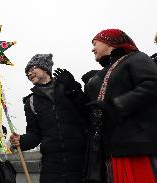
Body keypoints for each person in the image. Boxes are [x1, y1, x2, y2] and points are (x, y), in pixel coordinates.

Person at [85, 29, 157, 183]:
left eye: (95, 43)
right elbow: (93, 106)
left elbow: (152, 85)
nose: (92, 48)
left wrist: (117, 105)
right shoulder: (105, 72)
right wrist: (74, 92)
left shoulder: (136, 58)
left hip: (137, 147)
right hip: (112, 149)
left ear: (109, 42)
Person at [9, 54, 88, 183]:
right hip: (51, 167)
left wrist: (74, 89)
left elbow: (86, 111)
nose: (29, 73)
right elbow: (35, 134)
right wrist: (21, 141)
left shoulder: (67, 88)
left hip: (81, 162)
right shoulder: (31, 101)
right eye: (27, 73)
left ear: (45, 68)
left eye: (32, 68)